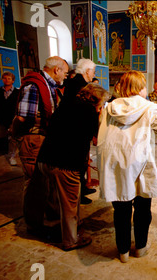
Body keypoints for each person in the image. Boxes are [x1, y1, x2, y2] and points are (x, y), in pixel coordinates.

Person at [97, 71, 157, 263]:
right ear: (139, 88)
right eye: (144, 86)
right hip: (140, 163)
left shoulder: (110, 107)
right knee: (142, 208)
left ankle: (123, 252)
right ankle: (140, 247)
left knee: (121, 209)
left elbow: (101, 132)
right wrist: (156, 136)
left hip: (115, 163)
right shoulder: (150, 107)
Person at [36, 83, 109, 251]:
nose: (100, 107)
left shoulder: (66, 104)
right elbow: (97, 138)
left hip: (45, 159)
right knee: (70, 202)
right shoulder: (89, 111)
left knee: (54, 199)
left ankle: (55, 228)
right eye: (101, 103)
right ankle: (70, 240)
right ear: (96, 99)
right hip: (65, 164)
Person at [11, 56, 69, 236]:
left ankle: (51, 216)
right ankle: (34, 226)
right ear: (56, 70)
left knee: (47, 179)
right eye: (65, 73)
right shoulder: (34, 86)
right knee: (34, 182)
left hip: (43, 139)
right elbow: (23, 117)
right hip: (33, 139)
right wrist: (17, 135)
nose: (66, 76)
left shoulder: (48, 85)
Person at [61, 58, 98, 205]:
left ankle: (82, 188)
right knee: (78, 163)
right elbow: (87, 109)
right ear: (87, 71)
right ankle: (78, 194)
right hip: (77, 130)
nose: (93, 74)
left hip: (76, 128)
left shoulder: (72, 82)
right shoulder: (81, 86)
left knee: (83, 161)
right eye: (93, 72)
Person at [0, 71, 20, 166]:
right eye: (5, 78)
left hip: (13, 117)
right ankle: (5, 151)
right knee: (3, 136)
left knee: (12, 137)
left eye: (9, 78)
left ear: (13, 80)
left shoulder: (17, 92)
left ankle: (11, 156)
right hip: (1, 117)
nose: (7, 80)